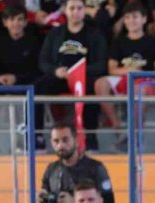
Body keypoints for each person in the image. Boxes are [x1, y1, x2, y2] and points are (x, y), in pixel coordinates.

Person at [34, 0, 108, 151]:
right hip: (60, 77)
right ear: (65, 11)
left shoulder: (95, 33)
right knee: (37, 88)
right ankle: (38, 136)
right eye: (72, 8)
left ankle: (91, 137)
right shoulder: (55, 33)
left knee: (92, 89)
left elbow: (101, 65)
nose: (75, 12)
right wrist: (56, 71)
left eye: (79, 8)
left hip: (85, 77)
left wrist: (80, 71)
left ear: (85, 10)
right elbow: (43, 61)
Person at [95, 1, 155, 152]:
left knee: (138, 88)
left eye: (135, 17)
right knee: (100, 83)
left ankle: (134, 133)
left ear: (144, 19)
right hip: (124, 78)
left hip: (145, 81)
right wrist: (129, 70)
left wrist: (141, 73)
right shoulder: (118, 41)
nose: (131, 21)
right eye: (127, 17)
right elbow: (111, 69)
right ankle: (117, 127)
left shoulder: (152, 42)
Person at [40, 122, 116, 203]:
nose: (61, 146)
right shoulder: (51, 170)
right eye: (56, 141)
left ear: (76, 140)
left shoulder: (95, 168)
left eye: (65, 140)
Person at [0, 4, 42, 88]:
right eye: (12, 19)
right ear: (5, 22)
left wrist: (16, 78)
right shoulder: (0, 42)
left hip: (27, 86)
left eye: (20, 19)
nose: (16, 23)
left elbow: (38, 71)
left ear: (25, 22)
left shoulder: (35, 42)